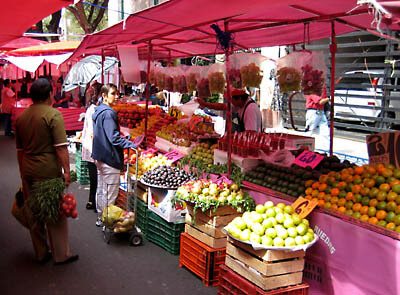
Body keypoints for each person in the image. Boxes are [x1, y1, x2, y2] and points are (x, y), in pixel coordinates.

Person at [15, 78, 78, 265]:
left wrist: (22, 172)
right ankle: (61, 254)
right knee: (54, 212)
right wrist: (67, 172)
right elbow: (60, 147)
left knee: (34, 210)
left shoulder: (21, 117)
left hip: (28, 169)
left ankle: (41, 252)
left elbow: (19, 151)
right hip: (47, 170)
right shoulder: (53, 115)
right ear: (50, 94)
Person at [92, 83, 138, 227]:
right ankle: (107, 220)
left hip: (100, 156)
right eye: (113, 94)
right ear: (104, 96)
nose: (117, 96)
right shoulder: (108, 113)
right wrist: (131, 145)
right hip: (109, 158)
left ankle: (101, 217)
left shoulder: (99, 110)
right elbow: (113, 138)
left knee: (101, 189)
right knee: (110, 193)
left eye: (117, 93)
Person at [197, 88, 263, 132]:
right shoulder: (240, 104)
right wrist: (205, 104)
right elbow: (223, 106)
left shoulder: (250, 110)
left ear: (239, 98)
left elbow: (251, 133)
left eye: (232, 100)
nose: (231, 103)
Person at [81, 84, 101, 211]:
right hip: (93, 146)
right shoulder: (95, 110)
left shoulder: (90, 108)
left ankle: (91, 200)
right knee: (96, 176)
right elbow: (94, 132)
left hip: (88, 146)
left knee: (93, 176)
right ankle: (95, 202)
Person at [305, 85, 330, 149]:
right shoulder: (312, 89)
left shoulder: (322, 87)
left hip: (320, 111)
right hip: (314, 111)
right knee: (310, 130)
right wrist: (328, 99)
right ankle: (305, 146)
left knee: (324, 130)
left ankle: (327, 147)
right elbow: (320, 102)